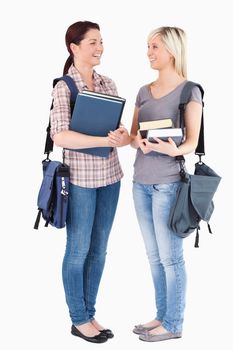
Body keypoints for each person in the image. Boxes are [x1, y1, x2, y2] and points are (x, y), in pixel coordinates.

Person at [50, 20, 130, 344]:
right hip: (81, 180)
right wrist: (99, 138)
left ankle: (90, 313)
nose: (100, 48)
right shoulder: (64, 87)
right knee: (78, 249)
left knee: (99, 250)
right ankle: (78, 318)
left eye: (101, 42)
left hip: (111, 177)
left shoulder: (108, 83)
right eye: (93, 42)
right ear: (75, 47)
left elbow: (122, 135)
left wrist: (120, 137)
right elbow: (60, 135)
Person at [129, 26, 203, 342]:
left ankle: (173, 323)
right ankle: (161, 316)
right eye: (148, 46)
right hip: (140, 181)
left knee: (171, 258)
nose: (149, 52)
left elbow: (192, 142)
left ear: (171, 50)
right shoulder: (143, 91)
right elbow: (134, 136)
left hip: (168, 184)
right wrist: (135, 142)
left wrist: (175, 149)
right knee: (153, 256)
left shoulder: (190, 91)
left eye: (154, 47)